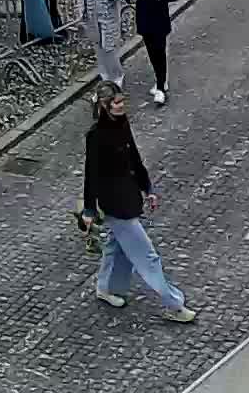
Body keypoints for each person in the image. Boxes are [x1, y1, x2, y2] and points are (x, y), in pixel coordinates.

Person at [79, 83, 197, 322]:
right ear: (104, 106)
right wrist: (90, 208)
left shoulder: (122, 124)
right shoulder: (95, 136)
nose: (122, 106)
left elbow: (134, 157)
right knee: (147, 256)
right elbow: (91, 174)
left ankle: (106, 288)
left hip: (129, 196)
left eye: (123, 101)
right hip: (115, 204)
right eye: (117, 103)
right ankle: (174, 305)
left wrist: (147, 187)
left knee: (117, 248)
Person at [121, 0, 181, 106]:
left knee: (160, 51)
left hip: (159, 16)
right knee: (152, 53)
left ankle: (161, 87)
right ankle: (160, 80)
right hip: (144, 17)